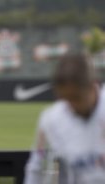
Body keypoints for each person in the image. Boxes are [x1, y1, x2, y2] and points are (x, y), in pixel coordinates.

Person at [24, 54, 105, 184]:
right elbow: (36, 168)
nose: (71, 106)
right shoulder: (51, 120)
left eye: (76, 98)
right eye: (65, 99)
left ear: (92, 86)